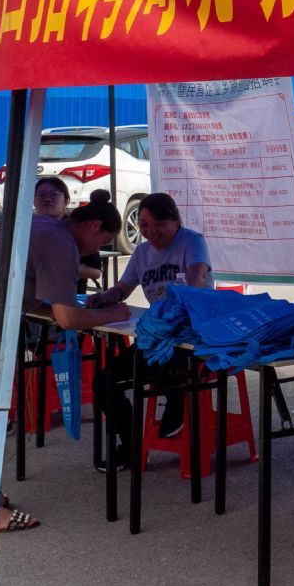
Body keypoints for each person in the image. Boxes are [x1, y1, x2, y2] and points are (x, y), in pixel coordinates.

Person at [0, 200, 130, 533]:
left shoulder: (41, 225)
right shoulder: (61, 243)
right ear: (93, 226)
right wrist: (113, 314)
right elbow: (68, 318)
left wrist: (70, 311)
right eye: (102, 241)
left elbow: (40, 301)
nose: (95, 251)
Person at [88, 192, 212, 454]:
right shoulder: (142, 252)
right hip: (158, 336)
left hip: (190, 336)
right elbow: (123, 288)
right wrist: (104, 297)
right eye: (144, 225)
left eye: (159, 224)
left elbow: (198, 276)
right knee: (104, 382)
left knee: (171, 369)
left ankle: (175, 393)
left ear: (176, 220)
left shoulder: (192, 241)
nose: (151, 231)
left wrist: (179, 306)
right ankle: (131, 445)